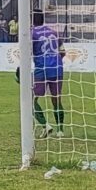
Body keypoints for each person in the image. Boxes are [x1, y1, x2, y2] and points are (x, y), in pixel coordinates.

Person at [30, 10, 65, 138]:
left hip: (41, 69)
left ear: (32, 20)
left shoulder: (31, 34)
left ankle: (46, 126)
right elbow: (63, 52)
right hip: (57, 68)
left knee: (31, 99)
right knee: (56, 99)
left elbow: (27, 52)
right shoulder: (54, 33)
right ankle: (60, 130)